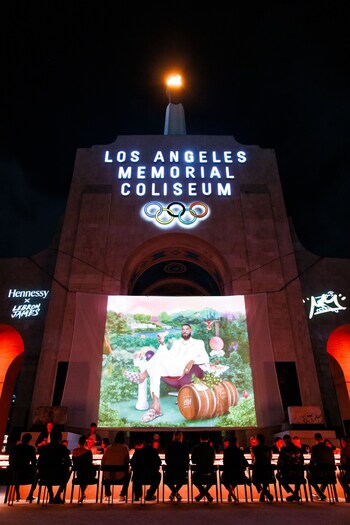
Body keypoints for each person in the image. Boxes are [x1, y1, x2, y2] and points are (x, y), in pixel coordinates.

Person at [124, 323, 209, 422]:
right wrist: (163, 344)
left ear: (190, 331)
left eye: (187, 329)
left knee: (158, 360)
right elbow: (169, 356)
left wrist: (192, 361)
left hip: (186, 371)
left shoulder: (198, 342)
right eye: (183, 329)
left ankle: (141, 376)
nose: (184, 331)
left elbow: (205, 358)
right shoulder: (177, 342)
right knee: (156, 366)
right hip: (172, 368)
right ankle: (156, 407)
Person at [37, 429, 71, 504]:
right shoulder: (62, 448)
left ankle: (50, 493)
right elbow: (68, 462)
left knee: (48, 471)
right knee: (67, 472)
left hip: (45, 476)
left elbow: (39, 462)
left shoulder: (44, 448)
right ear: (60, 439)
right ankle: (58, 494)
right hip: (59, 475)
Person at [130, 434, 161, 501]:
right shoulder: (153, 451)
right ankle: (149, 494)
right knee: (158, 475)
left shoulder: (138, 452)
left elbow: (132, 463)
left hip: (139, 477)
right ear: (151, 443)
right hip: (151, 477)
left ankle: (138, 495)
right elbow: (159, 463)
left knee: (135, 474)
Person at [101, 431, 130, 502]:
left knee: (106, 475)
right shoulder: (125, 448)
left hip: (108, 476)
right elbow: (127, 462)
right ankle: (122, 495)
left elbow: (102, 462)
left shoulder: (108, 448)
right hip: (121, 476)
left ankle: (107, 495)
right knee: (129, 473)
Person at [8, 433, 37, 502]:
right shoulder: (31, 449)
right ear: (29, 440)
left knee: (17, 477)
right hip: (26, 473)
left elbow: (10, 461)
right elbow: (34, 462)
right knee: (36, 477)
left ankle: (18, 495)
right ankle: (30, 495)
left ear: (21, 439)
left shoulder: (14, 448)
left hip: (15, 473)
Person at [308, 432, 336, 501]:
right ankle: (320, 493)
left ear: (315, 439)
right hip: (330, 474)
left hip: (319, 474)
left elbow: (312, 461)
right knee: (326, 475)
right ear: (322, 439)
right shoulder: (330, 449)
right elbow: (333, 462)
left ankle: (320, 494)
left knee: (309, 477)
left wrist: (309, 468)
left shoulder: (314, 448)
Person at [221, 436, 250, 503]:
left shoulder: (226, 451)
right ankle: (231, 494)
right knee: (235, 479)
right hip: (239, 475)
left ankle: (231, 494)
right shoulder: (239, 451)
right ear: (236, 443)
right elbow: (245, 463)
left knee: (223, 478)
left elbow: (225, 463)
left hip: (228, 475)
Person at [276, 434, 304, 502]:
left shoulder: (284, 449)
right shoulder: (299, 449)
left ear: (284, 441)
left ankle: (293, 493)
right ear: (290, 440)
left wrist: (279, 467)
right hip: (298, 475)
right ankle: (295, 493)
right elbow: (302, 461)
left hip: (287, 475)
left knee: (278, 475)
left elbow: (280, 461)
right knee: (298, 476)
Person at [191, 431, 216, 502]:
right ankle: (206, 494)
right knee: (214, 477)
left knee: (193, 478)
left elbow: (193, 461)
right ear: (208, 439)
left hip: (199, 474)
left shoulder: (196, 448)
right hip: (210, 476)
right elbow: (213, 461)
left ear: (200, 439)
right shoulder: (212, 449)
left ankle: (203, 493)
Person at [164, 430, 189, 502]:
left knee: (167, 480)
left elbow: (166, 461)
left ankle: (174, 492)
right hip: (181, 474)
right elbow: (187, 461)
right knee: (182, 479)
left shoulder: (168, 447)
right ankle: (175, 492)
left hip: (170, 474)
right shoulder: (184, 448)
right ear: (181, 438)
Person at [72, 435, 96, 503]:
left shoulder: (75, 451)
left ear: (78, 443)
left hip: (79, 473)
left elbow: (75, 463)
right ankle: (82, 493)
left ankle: (82, 494)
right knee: (86, 473)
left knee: (82, 473)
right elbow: (89, 463)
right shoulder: (88, 452)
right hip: (88, 473)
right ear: (85, 443)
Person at [251, 433, 274, 502]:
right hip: (267, 469)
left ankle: (264, 492)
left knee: (254, 480)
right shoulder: (268, 448)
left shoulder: (254, 448)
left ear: (257, 440)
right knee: (265, 480)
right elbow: (270, 458)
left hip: (257, 468)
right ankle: (264, 492)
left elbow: (253, 457)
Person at [338, 435, 350, 502]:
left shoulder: (344, 450)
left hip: (349, 473)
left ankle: (349, 493)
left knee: (339, 475)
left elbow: (343, 464)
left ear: (343, 442)